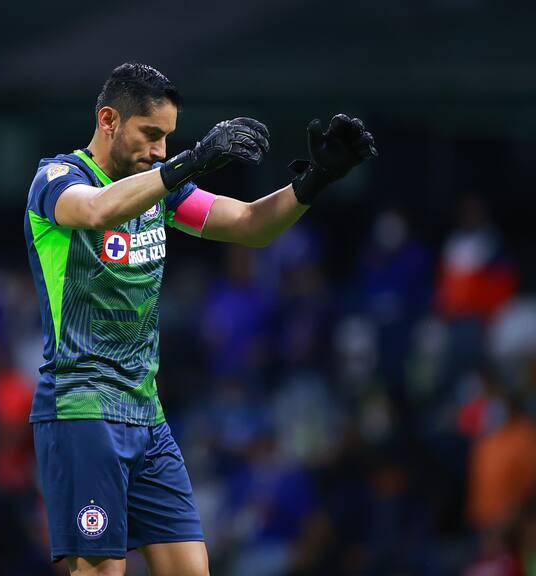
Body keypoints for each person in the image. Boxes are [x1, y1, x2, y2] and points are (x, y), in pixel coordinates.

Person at [24, 62, 377, 576]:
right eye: (150, 134)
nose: (160, 150)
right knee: (101, 571)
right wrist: (190, 162)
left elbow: (251, 226)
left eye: (168, 138)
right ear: (108, 120)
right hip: (82, 410)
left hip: (147, 417)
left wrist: (315, 181)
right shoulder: (57, 180)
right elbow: (98, 210)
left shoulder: (158, 189)